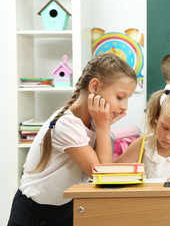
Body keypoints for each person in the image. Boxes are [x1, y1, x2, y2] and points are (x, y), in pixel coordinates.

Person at [8, 53, 137, 226]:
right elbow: (101, 174)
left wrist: (102, 125)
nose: (124, 107)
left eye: (127, 99)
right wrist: (103, 125)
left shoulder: (93, 123)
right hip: (33, 214)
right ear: (95, 86)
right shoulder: (67, 124)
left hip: (64, 210)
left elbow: (106, 172)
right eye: (120, 97)